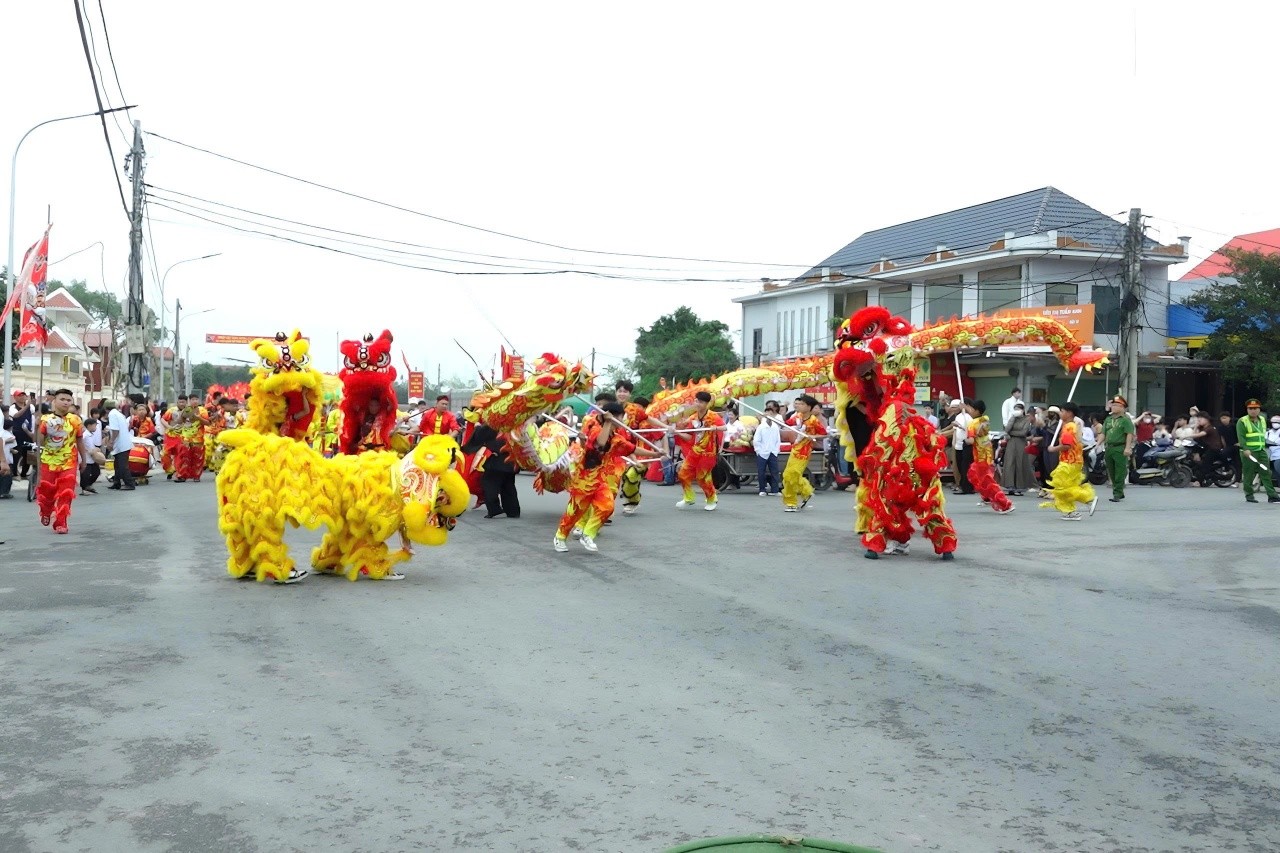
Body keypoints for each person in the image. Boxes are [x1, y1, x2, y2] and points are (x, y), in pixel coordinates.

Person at [553, 401, 635, 553]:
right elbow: (600, 443)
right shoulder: (595, 429)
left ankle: (588, 534)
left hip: (600, 479)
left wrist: (657, 453)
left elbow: (631, 448)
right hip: (584, 480)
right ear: (612, 417)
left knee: (607, 506)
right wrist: (608, 422)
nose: (622, 420)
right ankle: (560, 536)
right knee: (575, 512)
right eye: (620, 417)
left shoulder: (616, 437)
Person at [35, 388, 85, 534]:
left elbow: (79, 440)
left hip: (69, 461)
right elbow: (39, 442)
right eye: (62, 399)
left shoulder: (75, 420)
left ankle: (61, 522)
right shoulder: (45, 419)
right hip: (48, 461)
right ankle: (46, 511)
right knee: (47, 493)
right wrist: (37, 426)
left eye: (68, 400)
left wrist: (84, 459)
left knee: (66, 493)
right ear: (55, 401)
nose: (65, 402)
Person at [1039, 401, 1098, 520]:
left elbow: (1066, 445)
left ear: (1069, 413)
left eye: (1062, 411)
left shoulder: (1069, 427)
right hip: (1073, 461)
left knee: (1062, 486)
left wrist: (1054, 448)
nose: (1060, 413)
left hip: (1069, 462)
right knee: (1066, 485)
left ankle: (1088, 499)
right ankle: (1070, 511)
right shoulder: (1071, 425)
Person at [459, 420, 521, 519]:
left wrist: (477, 426)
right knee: (508, 485)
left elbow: (481, 433)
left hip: (497, 459)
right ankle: (513, 511)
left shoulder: (495, 422)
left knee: (489, 483)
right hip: (512, 459)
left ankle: (494, 509)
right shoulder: (515, 422)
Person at [673, 390, 723, 511]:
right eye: (697, 401)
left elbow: (724, 428)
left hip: (708, 453)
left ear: (707, 404)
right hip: (695, 450)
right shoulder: (693, 417)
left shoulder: (713, 416)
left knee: (702, 477)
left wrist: (715, 428)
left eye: (701, 402)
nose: (698, 404)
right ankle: (689, 498)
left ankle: (711, 499)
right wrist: (677, 431)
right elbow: (689, 436)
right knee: (682, 473)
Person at [965, 399, 1014, 513]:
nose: (969, 411)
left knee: (987, 480)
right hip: (987, 454)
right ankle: (986, 497)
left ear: (976, 410)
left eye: (971, 409)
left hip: (980, 456)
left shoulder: (972, 424)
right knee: (976, 476)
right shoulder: (985, 420)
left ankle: (1005, 504)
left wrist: (965, 438)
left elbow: (971, 441)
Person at [781, 394, 826, 512]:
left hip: (804, 452)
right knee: (787, 475)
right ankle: (794, 500)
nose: (799, 406)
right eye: (799, 403)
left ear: (808, 407)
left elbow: (824, 434)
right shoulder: (798, 416)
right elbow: (785, 423)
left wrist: (813, 436)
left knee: (793, 474)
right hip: (795, 449)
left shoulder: (813, 420)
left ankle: (801, 495)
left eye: (802, 404)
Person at [1236, 399, 1279, 504]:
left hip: (1261, 451)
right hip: (1249, 452)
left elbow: (1262, 435)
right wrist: (1245, 449)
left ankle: (1272, 496)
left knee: (1266, 472)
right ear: (1247, 409)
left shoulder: (1262, 420)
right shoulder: (1242, 421)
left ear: (1259, 409)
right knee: (1249, 474)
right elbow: (1241, 437)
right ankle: (1249, 495)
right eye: (1250, 408)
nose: (1253, 410)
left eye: (1255, 408)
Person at [1100, 395, 1135, 502]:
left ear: (1122, 407)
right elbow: (1103, 433)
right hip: (1109, 448)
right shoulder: (1108, 419)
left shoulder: (1125, 420)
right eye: (1113, 405)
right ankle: (1118, 491)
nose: (1113, 407)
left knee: (1120, 471)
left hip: (1120, 447)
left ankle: (1117, 493)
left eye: (1116, 405)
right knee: (1111, 471)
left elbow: (1129, 434)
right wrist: (1097, 444)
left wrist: (1127, 448)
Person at [1001, 402, 1035, 495]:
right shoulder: (1013, 418)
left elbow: (1023, 432)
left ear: (1023, 410)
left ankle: (1019, 486)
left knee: (1020, 462)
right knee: (1010, 462)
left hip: (1021, 442)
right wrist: (1013, 417)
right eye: (1015, 409)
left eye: (1018, 410)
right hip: (1011, 443)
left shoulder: (1026, 419)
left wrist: (1011, 433)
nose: (1017, 411)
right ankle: (1010, 485)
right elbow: (1007, 429)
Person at [104, 398, 137, 491]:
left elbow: (115, 430)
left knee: (122, 465)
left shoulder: (112, 414)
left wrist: (111, 441)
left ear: (106, 408)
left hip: (121, 443)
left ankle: (129, 484)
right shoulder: (118, 413)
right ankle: (116, 482)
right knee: (117, 464)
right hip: (123, 442)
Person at [752, 407, 782, 496]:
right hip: (762, 453)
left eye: (771, 414)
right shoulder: (761, 427)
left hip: (773, 452)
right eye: (767, 413)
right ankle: (762, 489)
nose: (769, 415)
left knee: (775, 472)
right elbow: (756, 440)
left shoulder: (775, 427)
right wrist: (759, 451)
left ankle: (775, 490)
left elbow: (778, 440)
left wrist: (776, 450)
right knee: (761, 472)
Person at [79, 416, 104, 495]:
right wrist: (96, 450)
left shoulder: (90, 435)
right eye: (94, 426)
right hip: (86, 458)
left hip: (92, 458)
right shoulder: (85, 435)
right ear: (89, 426)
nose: (95, 428)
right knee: (85, 475)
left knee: (96, 472)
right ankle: (84, 488)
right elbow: (89, 449)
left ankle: (88, 486)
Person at [1265, 414, 1280, 484]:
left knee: (1278, 469)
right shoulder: (1268, 433)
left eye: (1277, 422)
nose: (1275, 424)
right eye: (1274, 422)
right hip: (1269, 454)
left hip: (1278, 455)